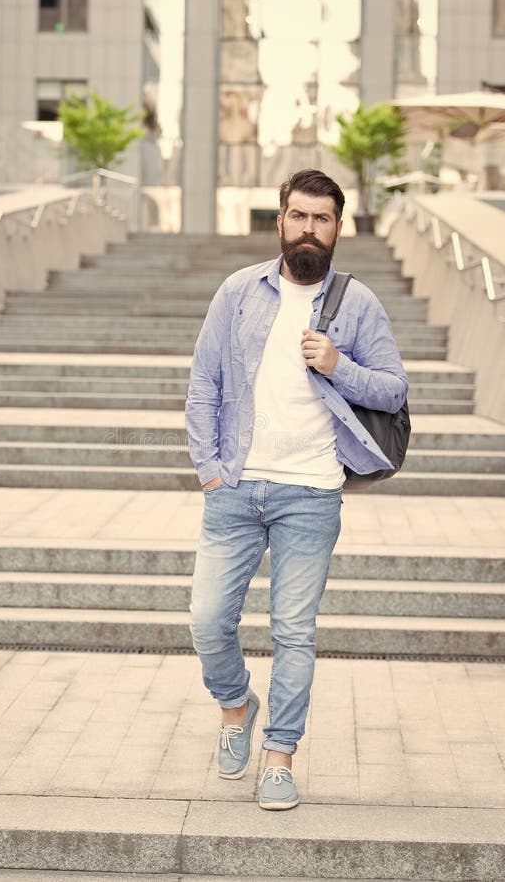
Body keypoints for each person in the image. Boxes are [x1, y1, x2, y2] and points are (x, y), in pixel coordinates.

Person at [185, 169, 408, 810]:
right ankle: (236, 705)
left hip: (311, 492)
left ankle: (279, 757)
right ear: (279, 221)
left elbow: (394, 390)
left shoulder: (358, 303)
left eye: (323, 218)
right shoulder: (238, 292)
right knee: (206, 621)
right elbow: (204, 385)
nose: (310, 228)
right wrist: (211, 468)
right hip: (235, 487)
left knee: (294, 632)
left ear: (339, 227)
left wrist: (340, 365)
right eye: (299, 216)